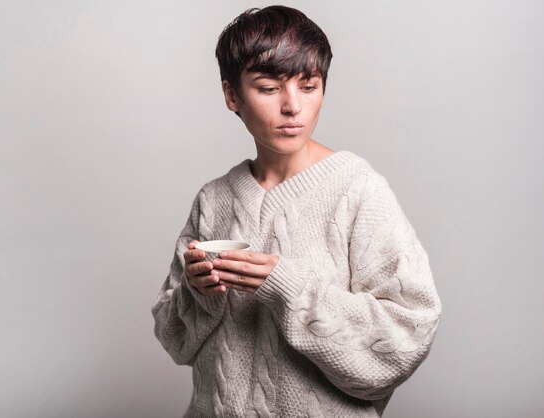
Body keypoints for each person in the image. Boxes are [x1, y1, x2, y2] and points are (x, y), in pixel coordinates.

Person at [151, 5, 441, 417]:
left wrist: (288, 287)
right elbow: (174, 339)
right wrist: (196, 294)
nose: (293, 107)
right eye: (269, 88)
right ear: (232, 95)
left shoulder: (357, 189)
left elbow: (407, 336)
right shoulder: (213, 199)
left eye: (309, 86)